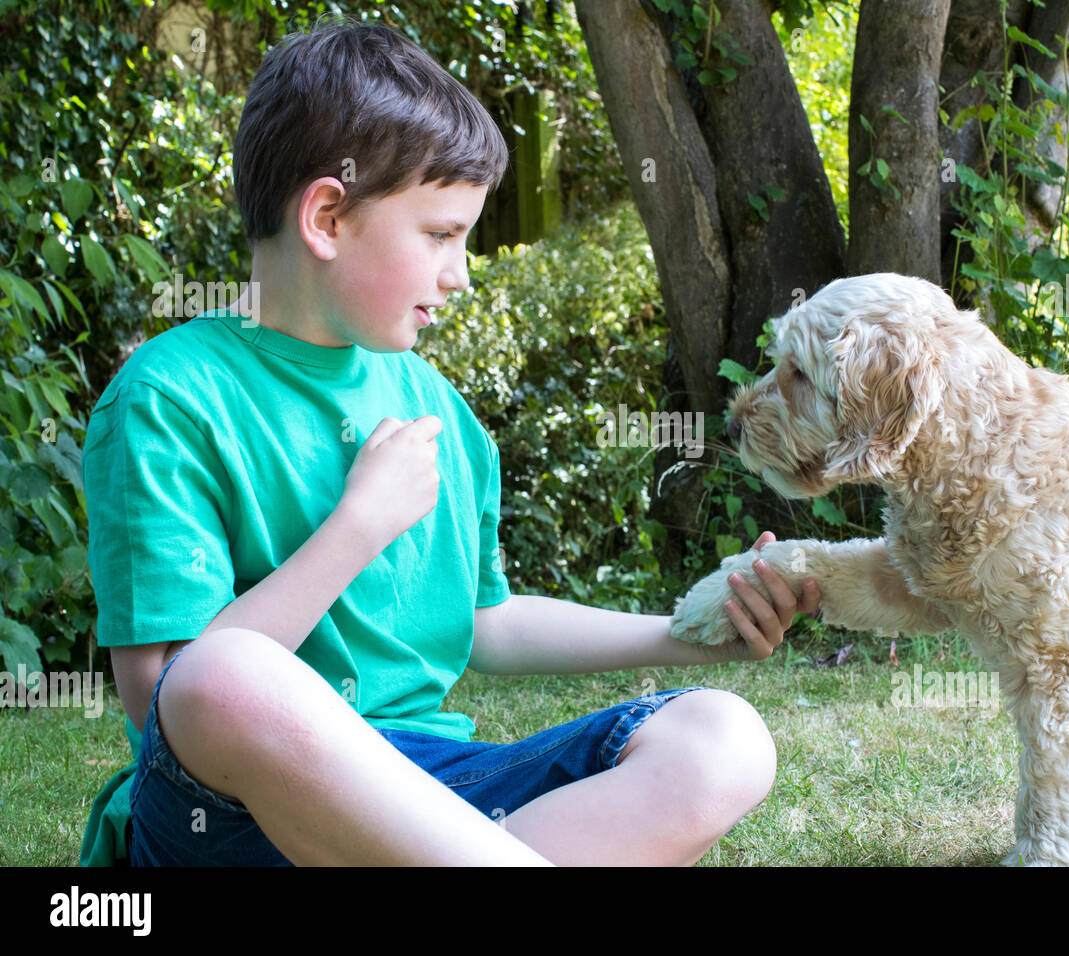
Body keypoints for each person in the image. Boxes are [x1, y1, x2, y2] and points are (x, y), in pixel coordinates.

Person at [79, 17, 821, 867]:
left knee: (722, 736)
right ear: (327, 215)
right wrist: (358, 527)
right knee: (223, 672)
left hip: (433, 794)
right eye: (440, 235)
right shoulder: (169, 398)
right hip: (236, 817)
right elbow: (164, 704)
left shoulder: (434, 407)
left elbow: (485, 622)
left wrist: (690, 629)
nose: (461, 272)